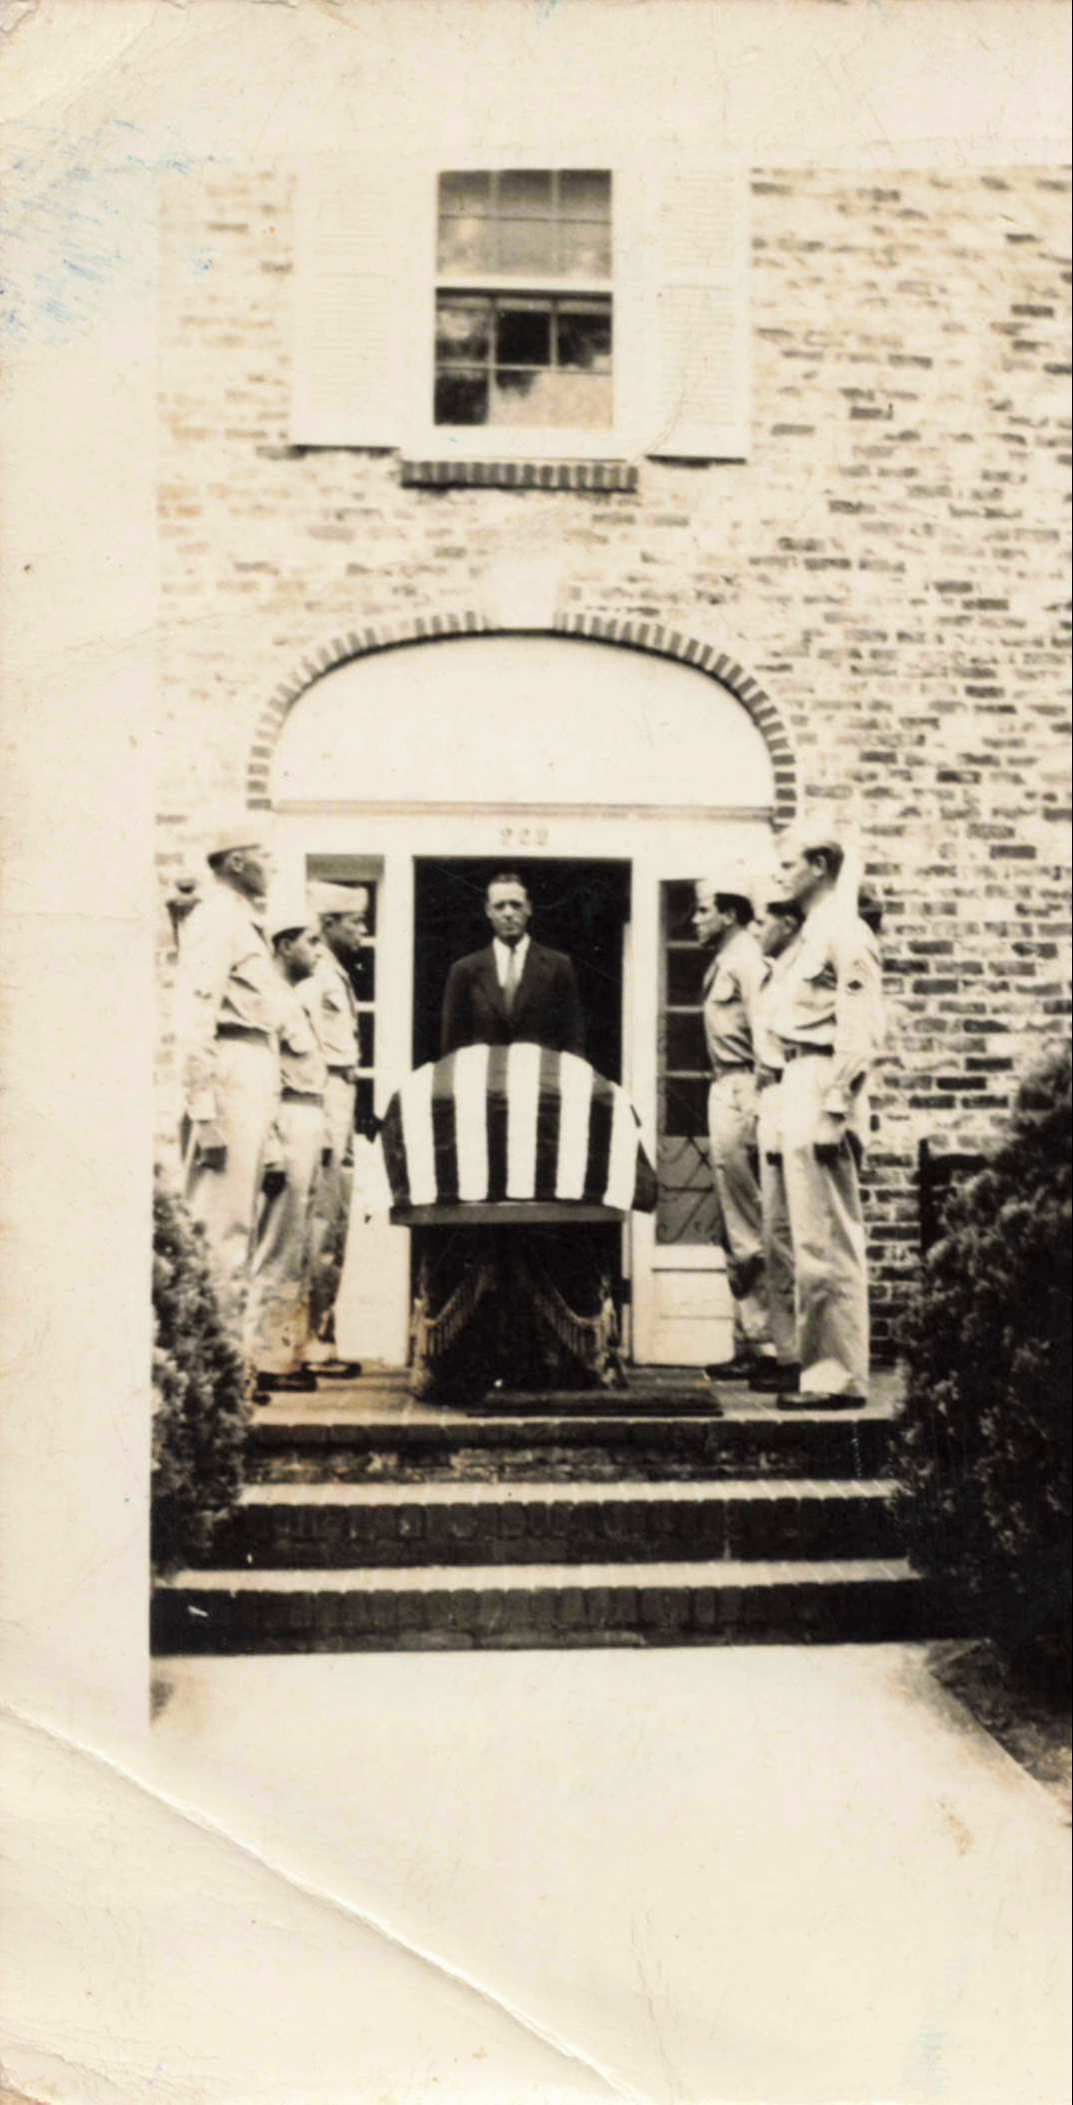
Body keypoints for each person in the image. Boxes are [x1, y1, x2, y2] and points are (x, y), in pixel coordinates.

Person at [770, 820, 884, 1408]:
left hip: (822, 1081)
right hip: (797, 1077)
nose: (779, 872)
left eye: (788, 862)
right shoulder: (813, 933)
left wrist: (836, 1104)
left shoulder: (845, 932)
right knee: (806, 1241)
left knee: (829, 1241)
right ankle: (820, 1367)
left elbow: (860, 1030)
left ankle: (837, 1375)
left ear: (818, 865)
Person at [173, 822, 280, 1335]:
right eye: (263, 852)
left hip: (252, 1070)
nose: (271, 864)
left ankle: (229, 1359)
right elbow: (195, 1019)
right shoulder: (216, 919)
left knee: (241, 1222)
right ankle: (211, 1361)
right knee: (221, 1225)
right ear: (236, 862)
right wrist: (204, 1112)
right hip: (229, 1071)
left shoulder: (241, 920)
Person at [693, 864, 777, 1386]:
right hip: (726, 1085)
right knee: (736, 1222)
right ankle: (752, 1338)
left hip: (745, 1088)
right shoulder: (729, 959)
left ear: (729, 913)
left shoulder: (747, 962)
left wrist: (759, 1104)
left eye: (704, 910)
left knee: (750, 1223)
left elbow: (767, 1035)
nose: (695, 920)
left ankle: (768, 1345)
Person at [246, 902, 330, 1398]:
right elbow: (268, 1081)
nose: (316, 952)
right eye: (310, 942)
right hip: (286, 1120)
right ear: (283, 945)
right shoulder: (270, 1001)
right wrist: (274, 1146)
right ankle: (260, 1357)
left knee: (299, 1245)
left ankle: (283, 1352)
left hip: (309, 1118)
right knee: (276, 1245)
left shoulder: (293, 999)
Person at [304, 881, 370, 1375]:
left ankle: (320, 1332)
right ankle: (309, 1339)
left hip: (340, 1101)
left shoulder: (335, 975)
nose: (363, 931)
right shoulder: (313, 975)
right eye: (355, 922)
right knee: (320, 1224)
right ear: (328, 925)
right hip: (323, 1100)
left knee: (337, 1222)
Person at [751, 876, 805, 1390]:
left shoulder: (799, 975)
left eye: (763, 921)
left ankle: (800, 1357)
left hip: (793, 1094)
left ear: (788, 924)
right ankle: (788, 1352)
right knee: (776, 1233)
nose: (756, 929)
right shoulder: (772, 975)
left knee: (795, 1236)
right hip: (771, 1100)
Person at [440, 873, 585, 1057]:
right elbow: (452, 1049)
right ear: (488, 911)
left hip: (540, 1081)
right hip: (485, 1082)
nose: (508, 913)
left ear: (529, 909)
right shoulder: (465, 970)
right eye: (499, 906)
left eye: (516, 905)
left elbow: (573, 1042)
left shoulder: (558, 966)